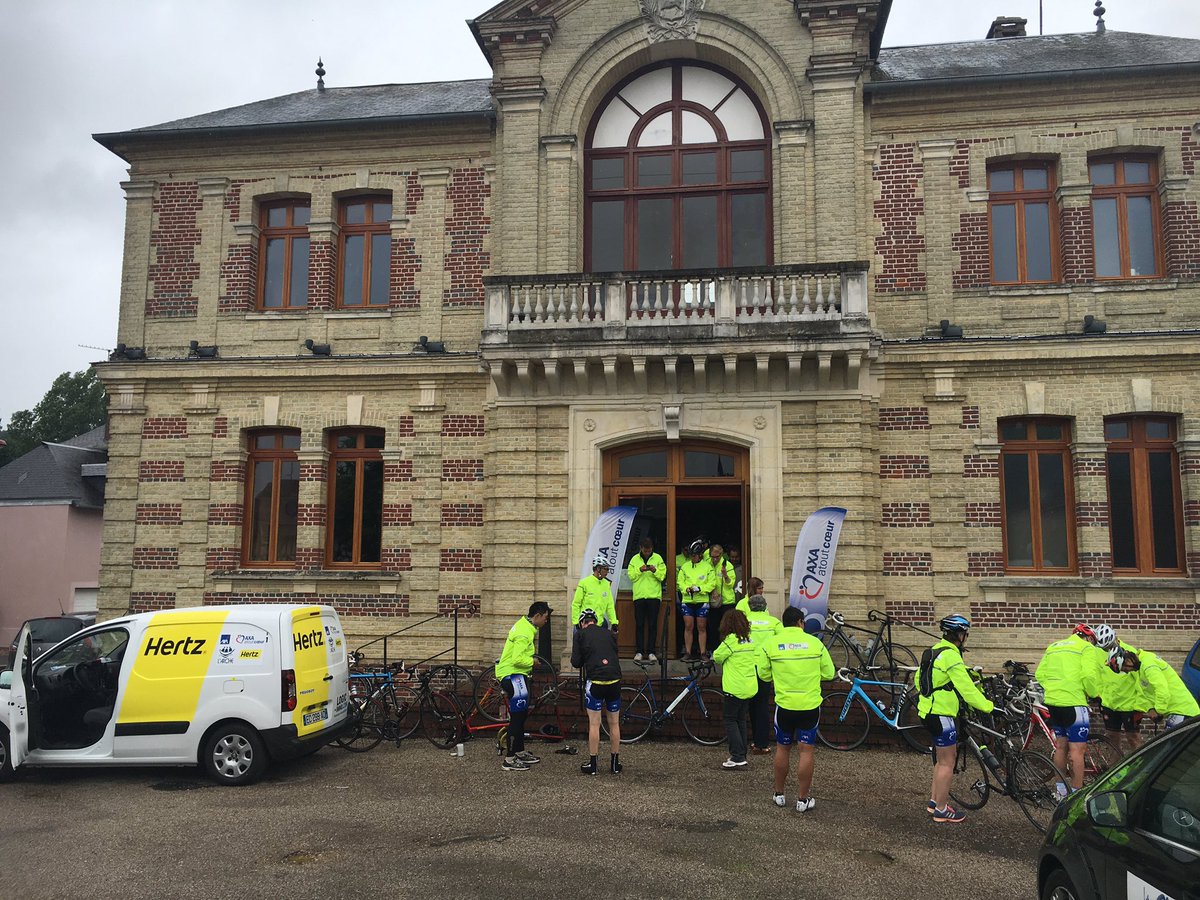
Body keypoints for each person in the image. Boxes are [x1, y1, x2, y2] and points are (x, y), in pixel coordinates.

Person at [914, 614, 995, 824]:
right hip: (942, 716)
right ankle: (941, 810)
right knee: (947, 763)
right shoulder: (951, 656)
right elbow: (967, 690)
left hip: (928, 712)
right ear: (959, 635)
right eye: (964, 634)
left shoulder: (932, 652)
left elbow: (918, 681)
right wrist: (989, 707)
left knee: (941, 761)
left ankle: (934, 802)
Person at [760, 606, 835, 813]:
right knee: (806, 750)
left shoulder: (771, 644)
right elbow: (829, 673)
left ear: (784, 623)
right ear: (801, 622)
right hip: (809, 705)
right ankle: (803, 800)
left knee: (782, 748)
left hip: (784, 706)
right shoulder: (815, 643)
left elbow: (764, 675)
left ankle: (779, 794)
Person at [1035, 623, 1105, 793]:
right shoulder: (1086, 648)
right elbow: (1088, 676)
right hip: (1074, 702)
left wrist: (1054, 688)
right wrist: (1094, 693)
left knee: (1060, 746)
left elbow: (1040, 674)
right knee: (1077, 751)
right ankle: (1076, 793)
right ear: (1089, 638)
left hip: (1053, 702)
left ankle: (1060, 791)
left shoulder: (1053, 647)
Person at [495, 601, 552, 772]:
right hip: (512, 676)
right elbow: (517, 659)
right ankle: (510, 759)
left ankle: (519, 751)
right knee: (518, 718)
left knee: (522, 714)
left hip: (516, 675)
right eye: (546, 618)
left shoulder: (526, 627)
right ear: (537, 616)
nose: (546, 622)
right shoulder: (524, 633)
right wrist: (532, 662)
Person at [571, 608, 624, 775]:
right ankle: (615, 764)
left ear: (582, 623)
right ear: (596, 621)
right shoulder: (609, 634)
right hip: (614, 680)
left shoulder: (580, 635)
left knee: (594, 723)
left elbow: (576, 662)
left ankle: (593, 765)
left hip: (595, 682)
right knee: (614, 723)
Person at [712, 609, 761, 769]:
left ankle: (737, 756)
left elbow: (717, 656)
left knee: (730, 720)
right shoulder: (750, 640)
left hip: (734, 687)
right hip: (749, 686)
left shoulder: (730, 641)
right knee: (741, 720)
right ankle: (742, 754)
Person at [739, 582, 781, 755]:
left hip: (746, 667)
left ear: (749, 606)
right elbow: (780, 643)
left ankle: (742, 743)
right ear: (765, 607)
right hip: (765, 669)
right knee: (762, 706)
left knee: (745, 705)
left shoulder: (743, 622)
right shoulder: (774, 623)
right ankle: (761, 743)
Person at [1093, 623, 1147, 755]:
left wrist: (1140, 704)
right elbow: (1096, 675)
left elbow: (1141, 681)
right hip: (1109, 704)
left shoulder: (1129, 652)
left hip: (1130, 705)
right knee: (1112, 739)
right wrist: (1099, 695)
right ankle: (1114, 771)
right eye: (1105, 648)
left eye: (1109, 647)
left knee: (1133, 739)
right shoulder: (1097, 653)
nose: (1107, 650)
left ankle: (1143, 770)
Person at [1137, 646, 1200, 730]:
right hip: (1179, 711)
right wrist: (1150, 708)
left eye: (1125, 669)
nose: (1127, 671)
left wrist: (1158, 711)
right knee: (1171, 741)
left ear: (1129, 661)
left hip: (1183, 712)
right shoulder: (1143, 663)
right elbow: (1145, 692)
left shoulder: (1148, 665)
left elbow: (1162, 690)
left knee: (1173, 742)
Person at [626, 537, 666, 662]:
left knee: (653, 625)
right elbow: (631, 576)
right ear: (641, 548)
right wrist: (639, 570)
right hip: (639, 596)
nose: (647, 553)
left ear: (652, 549)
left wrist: (655, 571)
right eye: (645, 550)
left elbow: (663, 576)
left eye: (649, 551)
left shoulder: (658, 558)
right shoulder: (634, 559)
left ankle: (651, 652)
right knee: (639, 624)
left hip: (654, 597)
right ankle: (639, 652)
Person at [677, 540, 713, 660]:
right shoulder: (685, 566)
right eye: (691, 555)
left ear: (700, 555)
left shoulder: (707, 567)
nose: (692, 557)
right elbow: (680, 582)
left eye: (694, 555)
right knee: (688, 626)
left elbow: (712, 583)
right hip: (687, 600)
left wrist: (700, 589)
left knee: (701, 627)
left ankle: (703, 653)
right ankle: (687, 652)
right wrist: (685, 589)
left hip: (702, 600)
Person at [572, 554, 618, 635]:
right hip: (585, 624)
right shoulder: (584, 583)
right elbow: (576, 604)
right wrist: (576, 622)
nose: (607, 571)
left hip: (600, 624)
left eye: (608, 569)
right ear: (598, 569)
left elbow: (610, 605)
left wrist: (614, 622)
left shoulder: (606, 584)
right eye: (606, 569)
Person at [706, 543, 737, 652]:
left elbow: (731, 584)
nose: (715, 559)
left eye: (717, 557)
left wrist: (725, 575)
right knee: (713, 628)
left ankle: (728, 651)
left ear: (721, 554)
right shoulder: (707, 564)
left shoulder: (727, 565)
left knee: (726, 629)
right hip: (713, 601)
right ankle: (714, 651)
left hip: (727, 601)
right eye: (713, 556)